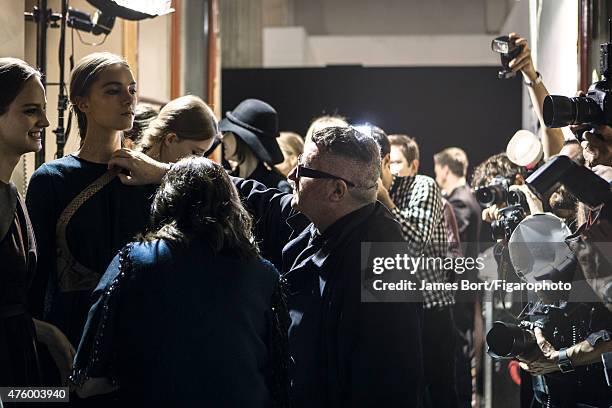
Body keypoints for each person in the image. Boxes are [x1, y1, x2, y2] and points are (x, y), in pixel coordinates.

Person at [106, 126, 424, 407]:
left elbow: (390, 386)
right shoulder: (322, 218)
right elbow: (256, 197)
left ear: (337, 190)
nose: (291, 177)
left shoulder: (384, 265)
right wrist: (166, 172)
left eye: (304, 171)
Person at [71, 156, 290, 406]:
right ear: (233, 206)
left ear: (167, 200)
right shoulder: (266, 275)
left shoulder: (135, 260)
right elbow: (280, 375)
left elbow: (87, 379)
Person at [24, 53, 152, 384]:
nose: (129, 99)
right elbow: (36, 279)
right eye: (113, 90)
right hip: (71, 337)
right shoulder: (52, 179)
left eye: (132, 89)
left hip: (138, 341)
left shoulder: (145, 175)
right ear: (82, 103)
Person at [0, 57, 75, 391]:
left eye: (43, 109)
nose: (45, 121)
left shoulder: (14, 194)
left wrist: (46, 332)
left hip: (19, 368)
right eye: (31, 110)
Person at [375, 129, 456, 408]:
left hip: (431, 310)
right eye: (389, 162)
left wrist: (385, 200)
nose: (392, 168)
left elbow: (416, 242)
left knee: (441, 389)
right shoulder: (374, 190)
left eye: (395, 162)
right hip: (395, 307)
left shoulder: (423, 185)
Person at [434, 147, 483, 408]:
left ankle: (462, 400)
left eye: (436, 169)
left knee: (458, 348)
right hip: (464, 285)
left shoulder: (459, 201)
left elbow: (454, 252)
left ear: (444, 169)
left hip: (457, 286)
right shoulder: (466, 197)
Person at [220, 98, 287, 190]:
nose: (223, 138)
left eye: (228, 132)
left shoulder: (277, 188)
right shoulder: (225, 182)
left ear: (242, 138)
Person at [136, 95, 218, 163]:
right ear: (170, 139)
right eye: (195, 153)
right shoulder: (128, 174)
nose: (199, 162)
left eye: (203, 155)